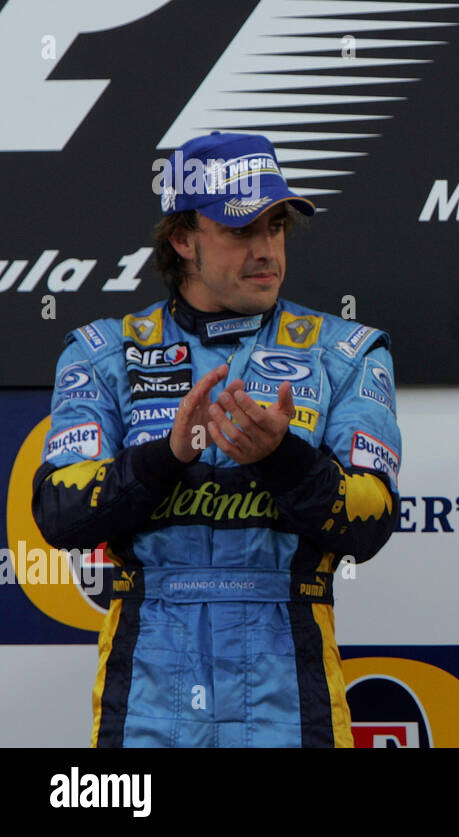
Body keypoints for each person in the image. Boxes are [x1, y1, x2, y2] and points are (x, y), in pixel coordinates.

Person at [32, 132, 401, 747]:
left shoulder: (347, 352)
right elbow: (60, 514)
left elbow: (373, 521)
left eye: (275, 227)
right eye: (240, 231)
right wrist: (166, 457)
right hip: (149, 682)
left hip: (290, 679)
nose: (266, 251)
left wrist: (282, 461)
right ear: (182, 239)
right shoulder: (105, 352)